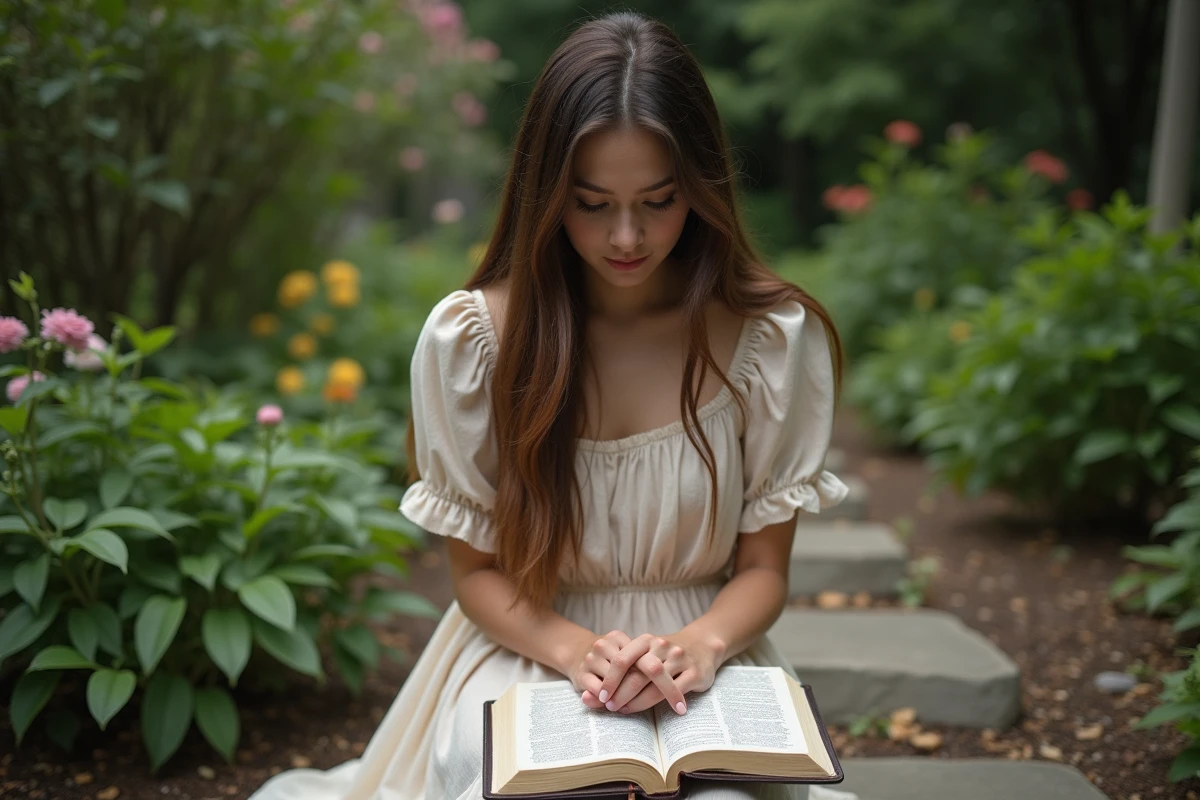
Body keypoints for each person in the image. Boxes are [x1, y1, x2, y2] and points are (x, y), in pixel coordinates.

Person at [249, 11, 859, 800]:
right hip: (527, 647)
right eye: (593, 203)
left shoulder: (763, 339)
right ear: (546, 193)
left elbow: (765, 570)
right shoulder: (477, 341)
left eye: (661, 200)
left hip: (704, 665)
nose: (628, 236)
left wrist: (700, 646)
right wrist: (578, 653)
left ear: (703, 188)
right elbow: (475, 576)